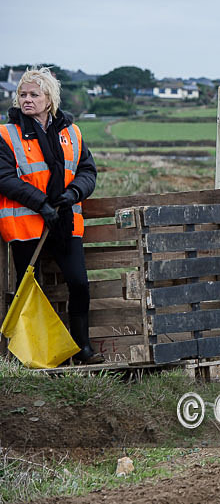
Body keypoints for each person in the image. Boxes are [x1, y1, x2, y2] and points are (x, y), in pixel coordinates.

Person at [0, 67, 103, 364]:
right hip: (25, 225)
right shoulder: (6, 134)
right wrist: (41, 203)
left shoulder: (72, 132)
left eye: (34, 94)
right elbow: (4, 178)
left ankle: (82, 350)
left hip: (65, 223)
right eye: (22, 94)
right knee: (31, 290)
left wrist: (74, 193)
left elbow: (87, 171)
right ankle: (38, 355)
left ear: (50, 99)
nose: (26, 99)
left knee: (79, 283)